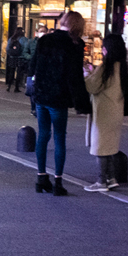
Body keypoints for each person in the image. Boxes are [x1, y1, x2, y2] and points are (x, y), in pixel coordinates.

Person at [27, 11, 89, 196]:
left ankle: (41, 177)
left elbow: (32, 66)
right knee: (60, 137)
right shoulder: (74, 44)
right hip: (59, 97)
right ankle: (58, 182)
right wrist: (81, 103)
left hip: (41, 95)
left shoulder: (44, 40)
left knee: (43, 135)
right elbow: (75, 76)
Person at [84, 34, 127, 192]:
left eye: (104, 46)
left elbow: (92, 87)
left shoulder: (106, 67)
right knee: (109, 146)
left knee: (100, 148)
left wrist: (86, 73)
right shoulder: (121, 67)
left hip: (104, 113)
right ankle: (112, 178)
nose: (102, 49)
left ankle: (101, 182)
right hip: (116, 111)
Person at [24, 25, 46, 115]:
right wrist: (31, 58)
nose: (42, 33)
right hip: (32, 68)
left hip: (43, 70)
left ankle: (39, 109)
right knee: (32, 89)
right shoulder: (31, 42)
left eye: (44, 31)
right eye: (41, 31)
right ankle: (33, 107)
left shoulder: (49, 43)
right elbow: (25, 52)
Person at [5, 27, 27, 93]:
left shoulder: (11, 38)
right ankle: (16, 87)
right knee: (19, 73)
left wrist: (11, 54)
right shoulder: (24, 39)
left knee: (11, 71)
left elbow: (7, 48)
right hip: (20, 58)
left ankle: (9, 86)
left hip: (12, 58)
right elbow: (25, 48)